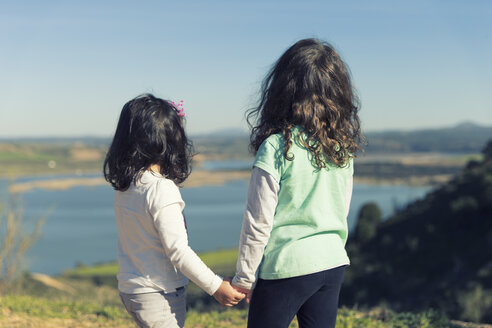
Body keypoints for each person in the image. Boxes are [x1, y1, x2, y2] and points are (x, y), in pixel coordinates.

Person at [231, 39, 364, 328]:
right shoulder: (341, 149)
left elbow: (258, 223)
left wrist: (244, 278)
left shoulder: (277, 146)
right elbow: (341, 211)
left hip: (286, 266)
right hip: (332, 262)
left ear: (283, 87)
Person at [104, 94, 244, 328]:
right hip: (158, 294)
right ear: (172, 140)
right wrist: (216, 287)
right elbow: (178, 251)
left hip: (132, 290)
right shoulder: (161, 189)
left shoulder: (126, 185)